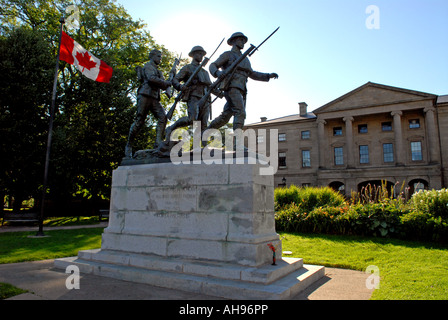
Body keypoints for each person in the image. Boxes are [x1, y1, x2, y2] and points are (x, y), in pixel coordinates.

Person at [206, 32, 278, 132]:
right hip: (231, 87)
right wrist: (217, 73)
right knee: (240, 112)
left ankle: (205, 132)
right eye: (241, 40)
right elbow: (212, 65)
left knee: (225, 117)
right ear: (234, 41)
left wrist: (268, 76)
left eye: (244, 41)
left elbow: (252, 74)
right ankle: (237, 143)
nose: (243, 43)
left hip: (242, 90)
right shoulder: (228, 55)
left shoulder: (246, 59)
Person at [125, 49, 171, 158]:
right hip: (145, 95)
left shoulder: (158, 70)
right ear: (153, 56)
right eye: (159, 56)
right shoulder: (148, 66)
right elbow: (151, 79)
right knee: (140, 120)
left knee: (162, 118)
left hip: (154, 98)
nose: (160, 59)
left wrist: (168, 82)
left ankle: (158, 143)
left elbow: (163, 82)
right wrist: (165, 83)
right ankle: (129, 145)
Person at [165, 46, 212, 140]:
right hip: (193, 96)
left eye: (202, 54)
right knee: (192, 120)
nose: (201, 56)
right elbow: (175, 80)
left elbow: (210, 86)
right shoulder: (188, 68)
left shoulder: (205, 72)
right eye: (199, 53)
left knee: (203, 124)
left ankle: (201, 148)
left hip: (205, 97)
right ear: (193, 55)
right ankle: (171, 128)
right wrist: (180, 86)